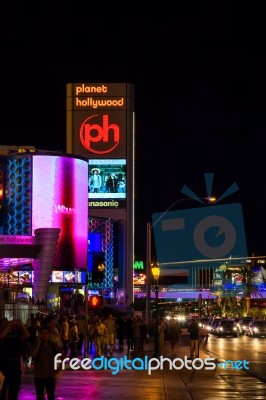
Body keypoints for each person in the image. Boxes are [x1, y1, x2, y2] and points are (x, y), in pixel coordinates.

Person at [0, 318, 30, 400]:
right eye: (5, 323)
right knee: (3, 388)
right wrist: (9, 324)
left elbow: (27, 335)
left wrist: (21, 325)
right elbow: (2, 336)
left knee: (14, 389)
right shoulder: (3, 334)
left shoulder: (16, 334)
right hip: (4, 364)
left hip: (15, 364)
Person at [31, 324, 61, 400]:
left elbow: (61, 357)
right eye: (42, 333)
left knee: (51, 395)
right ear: (40, 334)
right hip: (39, 375)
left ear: (49, 334)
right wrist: (38, 344)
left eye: (46, 333)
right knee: (39, 396)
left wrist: (58, 370)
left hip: (50, 375)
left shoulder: (53, 345)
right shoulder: (36, 345)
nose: (44, 335)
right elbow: (33, 356)